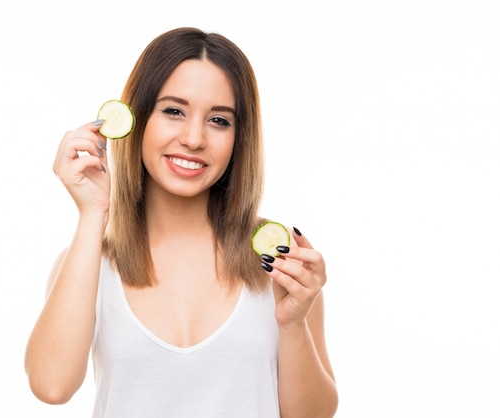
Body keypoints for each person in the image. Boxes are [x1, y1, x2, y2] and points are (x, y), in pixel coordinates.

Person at [25, 27, 338, 418]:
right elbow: (51, 387)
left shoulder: (281, 263)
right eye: (173, 111)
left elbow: (314, 415)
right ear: (137, 119)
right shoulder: (90, 261)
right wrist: (93, 215)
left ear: (239, 138)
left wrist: (293, 325)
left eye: (219, 120)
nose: (193, 138)